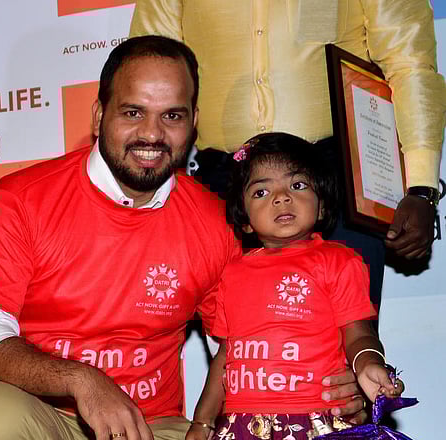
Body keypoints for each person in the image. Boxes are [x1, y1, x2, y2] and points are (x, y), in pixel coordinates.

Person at [0, 36, 365, 440]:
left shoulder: (215, 221)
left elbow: (244, 346)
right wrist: (81, 379)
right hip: (40, 430)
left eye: (171, 115)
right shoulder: (20, 199)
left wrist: (340, 382)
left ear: (193, 123)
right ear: (99, 114)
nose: (151, 134)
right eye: (132, 112)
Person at [167, 132, 404, 440]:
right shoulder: (229, 275)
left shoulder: (340, 261)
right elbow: (225, 357)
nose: (281, 199)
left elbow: (358, 333)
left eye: (297, 186)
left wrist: (368, 362)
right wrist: (202, 421)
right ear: (243, 218)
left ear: (322, 204)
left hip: (317, 434)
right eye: (262, 191)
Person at [130, 0, 446, 312]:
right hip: (222, 188)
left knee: (347, 344)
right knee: (238, 347)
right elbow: (148, 68)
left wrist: (421, 186)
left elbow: (409, 61)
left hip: (339, 181)